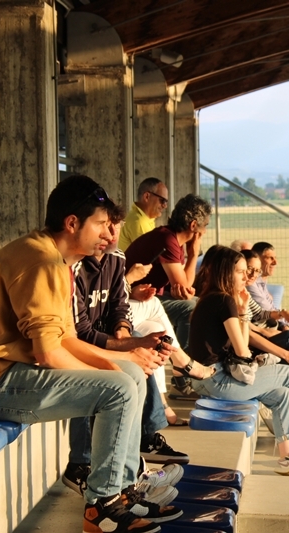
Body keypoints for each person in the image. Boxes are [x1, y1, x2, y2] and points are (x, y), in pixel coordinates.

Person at [0, 176, 181, 533]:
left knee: (131, 377)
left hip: (13, 375)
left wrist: (126, 358)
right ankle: (101, 506)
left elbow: (67, 340)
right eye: (101, 224)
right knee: (119, 388)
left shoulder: (57, 262)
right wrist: (112, 370)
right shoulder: (39, 261)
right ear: (72, 223)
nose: (109, 233)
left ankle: (121, 490)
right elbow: (47, 353)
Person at [64, 205, 189, 498]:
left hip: (100, 338)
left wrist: (123, 331)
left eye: (115, 227)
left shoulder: (116, 259)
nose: (111, 234)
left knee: (139, 361)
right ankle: (83, 465)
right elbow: (79, 333)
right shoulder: (73, 266)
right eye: (104, 225)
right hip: (76, 346)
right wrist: (128, 347)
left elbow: (120, 306)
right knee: (110, 374)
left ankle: (131, 470)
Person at [187, 247, 289, 475]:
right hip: (216, 380)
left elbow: (241, 345)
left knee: (283, 395)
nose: (245, 277)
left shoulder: (214, 298)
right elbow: (241, 350)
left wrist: (242, 313)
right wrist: (242, 314)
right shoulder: (223, 301)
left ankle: (288, 458)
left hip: (213, 378)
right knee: (288, 373)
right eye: (240, 272)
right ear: (226, 273)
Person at [125, 194, 211, 350]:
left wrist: (183, 290)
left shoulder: (172, 238)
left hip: (149, 294)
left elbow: (182, 289)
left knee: (200, 303)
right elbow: (185, 285)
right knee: (191, 309)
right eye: (205, 225)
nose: (204, 232)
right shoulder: (167, 240)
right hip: (133, 297)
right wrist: (193, 254)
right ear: (193, 225)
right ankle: (185, 359)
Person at [240, 249, 289, 396]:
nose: (252, 275)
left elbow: (260, 313)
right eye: (250, 269)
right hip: (249, 350)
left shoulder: (243, 292)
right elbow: (247, 331)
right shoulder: (235, 294)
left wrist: (283, 313)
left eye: (257, 271)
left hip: (261, 335)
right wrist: (287, 352)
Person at [119, 177, 169, 251]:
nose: (165, 206)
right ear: (147, 196)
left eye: (166, 202)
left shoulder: (141, 217)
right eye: (162, 201)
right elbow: (151, 255)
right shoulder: (139, 222)